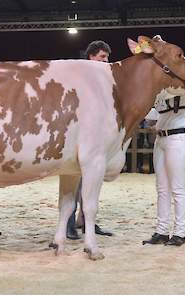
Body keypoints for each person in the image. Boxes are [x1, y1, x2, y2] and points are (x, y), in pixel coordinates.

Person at [66, 40, 113, 240]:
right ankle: (69, 223)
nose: (106, 61)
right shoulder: (80, 75)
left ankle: (84, 220)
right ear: (91, 56)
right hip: (77, 132)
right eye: (102, 57)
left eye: (107, 57)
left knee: (91, 180)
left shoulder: (104, 78)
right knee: (73, 180)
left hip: (95, 133)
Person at [143, 91, 185, 246]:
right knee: (162, 188)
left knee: (177, 187)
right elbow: (152, 114)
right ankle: (162, 231)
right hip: (160, 138)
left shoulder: (184, 83)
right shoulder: (162, 90)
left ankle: (180, 233)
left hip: (179, 137)